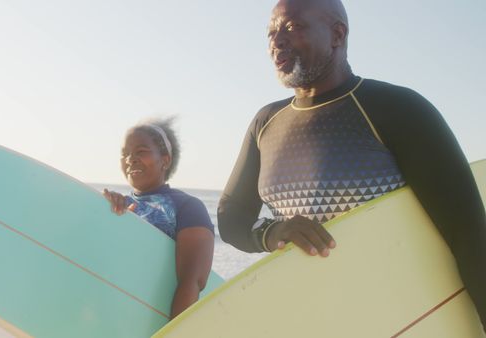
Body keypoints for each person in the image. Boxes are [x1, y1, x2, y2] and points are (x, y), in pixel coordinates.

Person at [218, 0, 486, 330]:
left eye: (292, 27)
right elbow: (231, 217)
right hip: (304, 316)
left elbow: (470, 234)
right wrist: (273, 231)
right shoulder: (266, 122)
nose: (277, 40)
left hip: (399, 316)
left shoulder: (397, 109)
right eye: (271, 32)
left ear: (337, 34)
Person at [103, 118, 215, 319]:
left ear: (165, 160)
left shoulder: (187, 207)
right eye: (125, 154)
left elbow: (193, 280)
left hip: (154, 321)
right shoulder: (116, 204)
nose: (130, 159)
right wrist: (103, 210)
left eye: (141, 151)